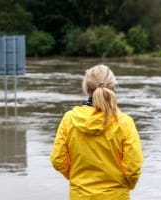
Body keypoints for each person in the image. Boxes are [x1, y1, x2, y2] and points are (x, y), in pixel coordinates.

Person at [50, 64, 143, 200]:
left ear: (87, 88)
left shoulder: (69, 119)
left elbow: (58, 160)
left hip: (80, 195)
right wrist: (126, 185)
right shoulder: (124, 122)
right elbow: (133, 167)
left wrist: (76, 177)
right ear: (113, 88)